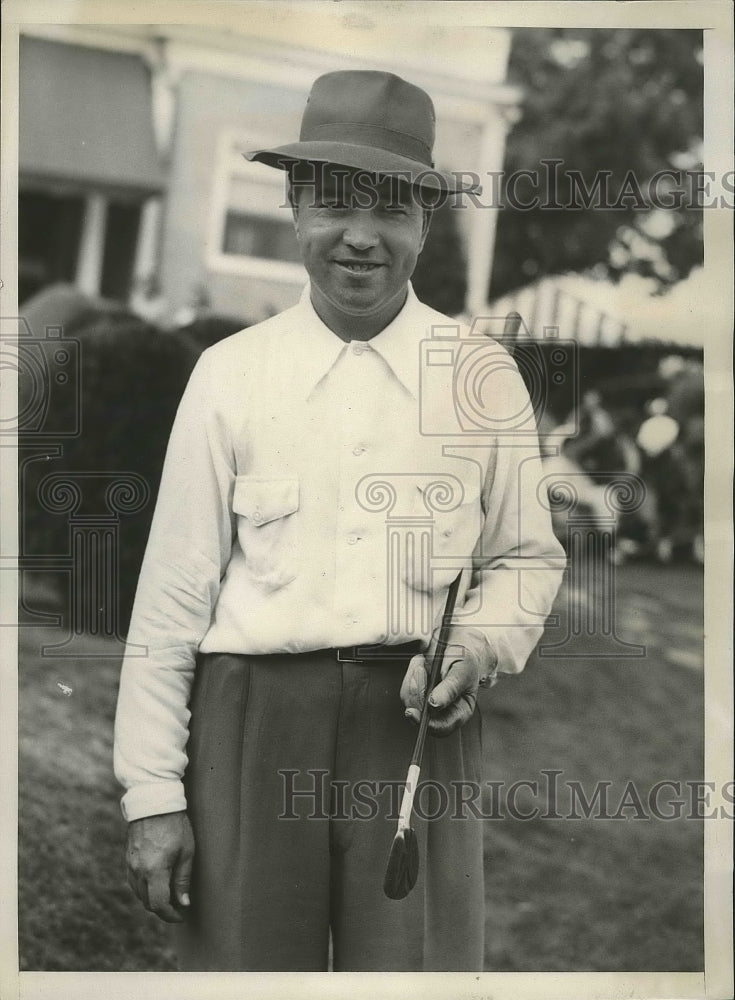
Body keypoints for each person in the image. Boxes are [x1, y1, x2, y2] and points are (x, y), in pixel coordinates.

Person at [114, 69, 565, 973]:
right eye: (332, 205)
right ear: (291, 205)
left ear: (426, 221)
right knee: (246, 974)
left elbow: (524, 557)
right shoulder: (230, 375)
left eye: (392, 210)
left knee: (415, 974)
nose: (360, 238)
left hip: (414, 734)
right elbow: (170, 599)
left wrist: (474, 646)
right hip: (252, 721)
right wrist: (153, 792)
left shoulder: (480, 377)